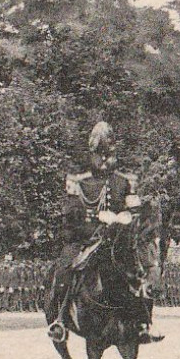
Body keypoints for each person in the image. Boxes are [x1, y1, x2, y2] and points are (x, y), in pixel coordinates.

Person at [44, 121, 162, 344]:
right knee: (63, 270)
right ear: (92, 154)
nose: (105, 159)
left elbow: (133, 208)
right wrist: (98, 220)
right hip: (83, 240)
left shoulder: (125, 181)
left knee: (140, 272)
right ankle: (59, 320)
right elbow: (70, 215)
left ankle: (144, 323)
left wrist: (128, 216)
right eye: (100, 154)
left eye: (109, 154)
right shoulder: (78, 181)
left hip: (116, 241)